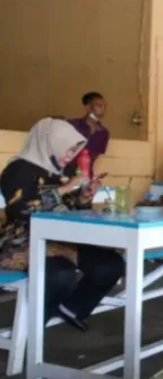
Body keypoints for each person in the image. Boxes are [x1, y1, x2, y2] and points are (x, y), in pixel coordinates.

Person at [0, 118, 124, 332]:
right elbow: (20, 210)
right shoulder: (18, 169)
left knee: (110, 264)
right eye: (68, 150)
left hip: (59, 239)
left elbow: (65, 208)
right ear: (50, 143)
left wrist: (83, 197)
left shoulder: (57, 171)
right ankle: (31, 332)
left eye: (74, 151)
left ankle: (71, 309)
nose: (70, 156)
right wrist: (65, 188)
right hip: (23, 241)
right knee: (61, 276)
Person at [65, 92, 110, 178]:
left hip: (86, 177)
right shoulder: (72, 125)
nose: (103, 109)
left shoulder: (103, 132)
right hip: (64, 176)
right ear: (88, 108)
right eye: (99, 106)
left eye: (105, 106)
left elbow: (93, 158)